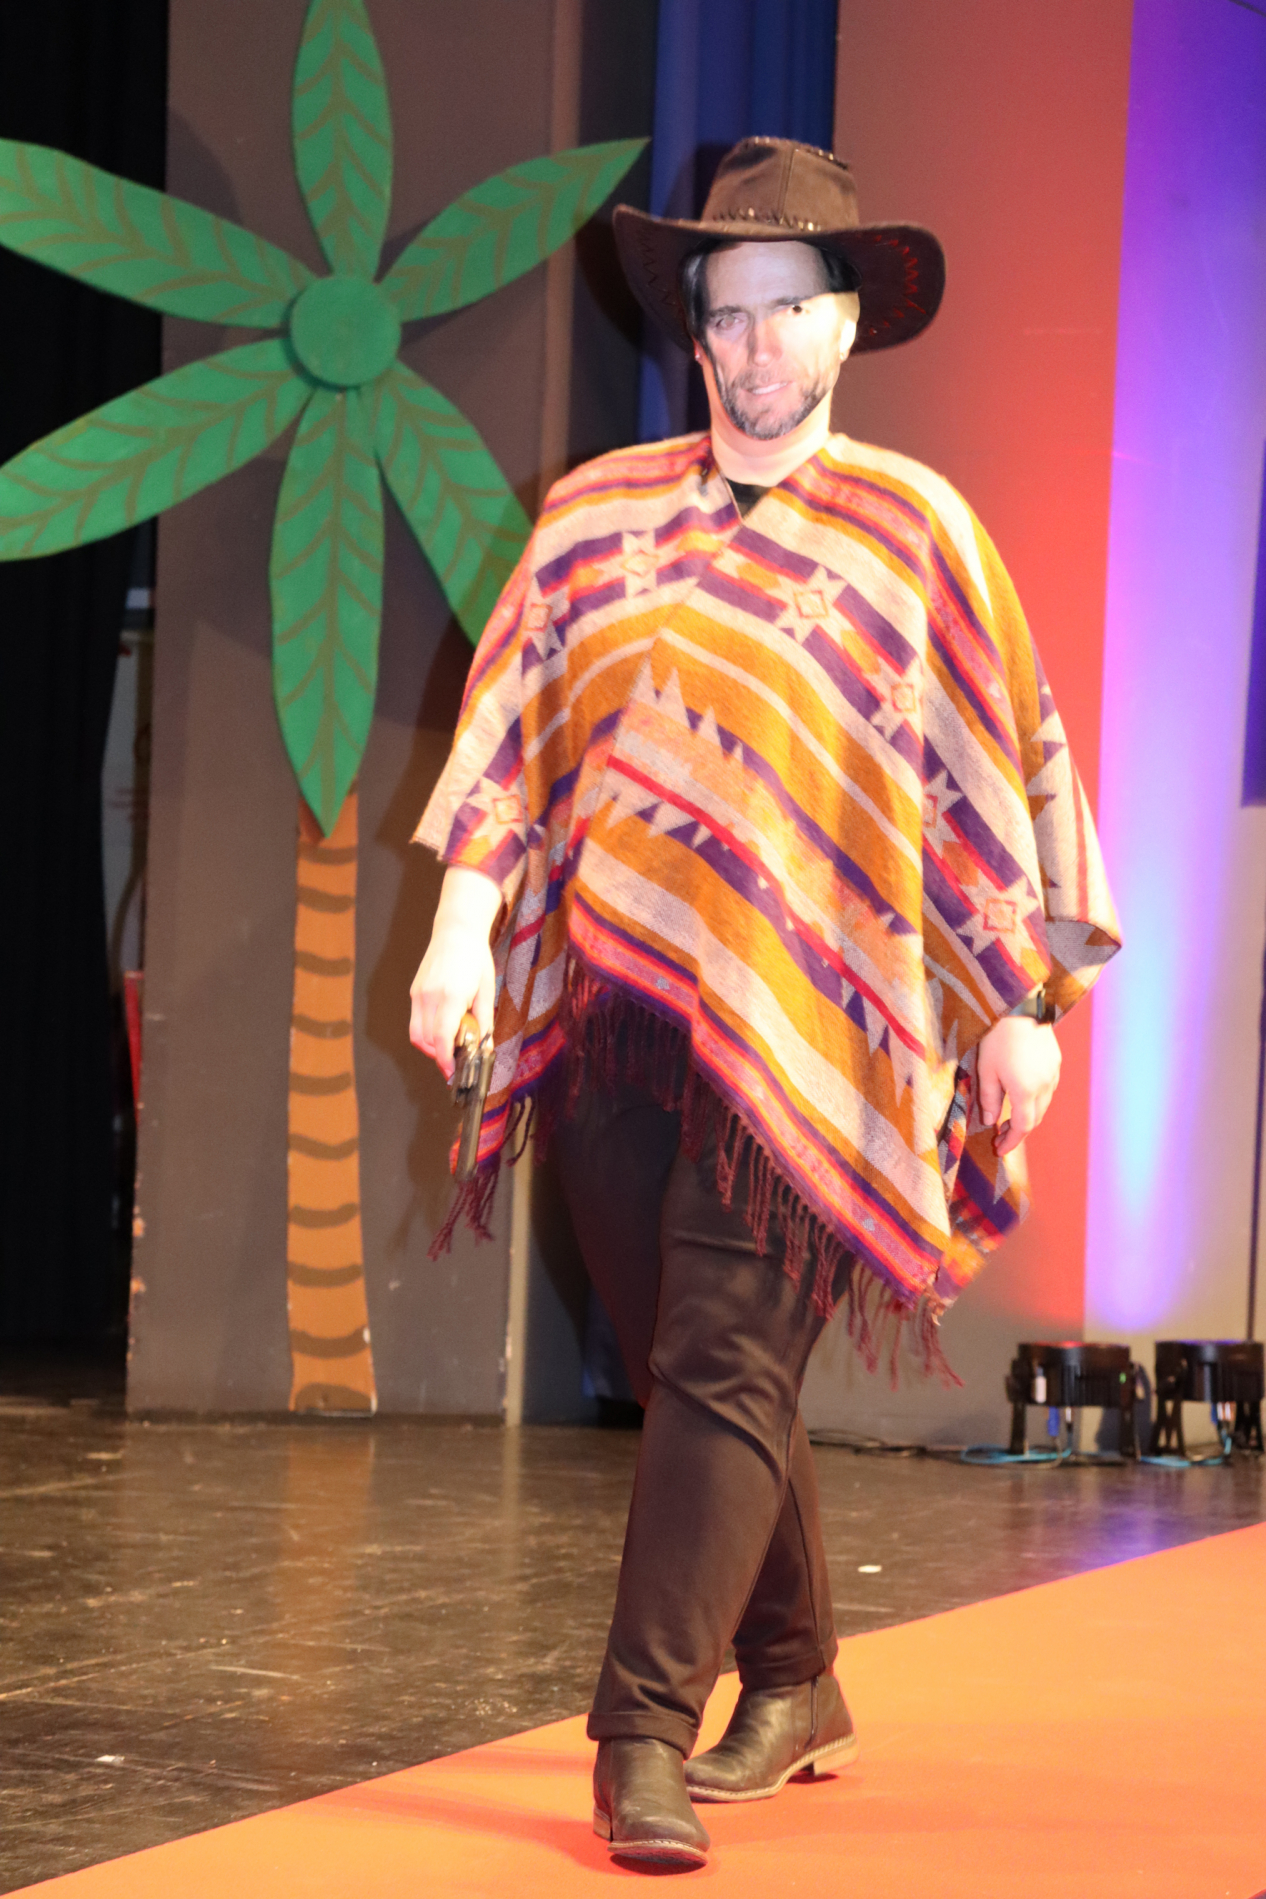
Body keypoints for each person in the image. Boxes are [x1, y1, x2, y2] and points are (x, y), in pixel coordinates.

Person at [409, 137, 1120, 1871]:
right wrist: (456, 933)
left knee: (724, 1358)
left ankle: (637, 1735)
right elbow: (508, 737)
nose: (752, 344)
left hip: (818, 1032)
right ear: (694, 327)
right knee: (696, 1366)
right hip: (615, 1011)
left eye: (786, 307)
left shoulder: (914, 534)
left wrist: (1019, 1004)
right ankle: (797, 1677)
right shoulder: (593, 514)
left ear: (846, 320)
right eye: (724, 311)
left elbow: (1001, 771)